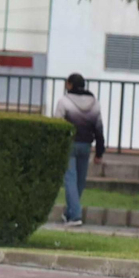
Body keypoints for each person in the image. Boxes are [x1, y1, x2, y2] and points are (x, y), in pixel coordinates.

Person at [53, 74, 105, 226]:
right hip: (86, 145)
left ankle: (75, 216)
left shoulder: (64, 102)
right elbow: (99, 129)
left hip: (69, 144)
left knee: (70, 180)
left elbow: (57, 125)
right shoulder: (94, 104)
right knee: (80, 181)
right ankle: (70, 213)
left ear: (70, 85)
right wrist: (99, 152)